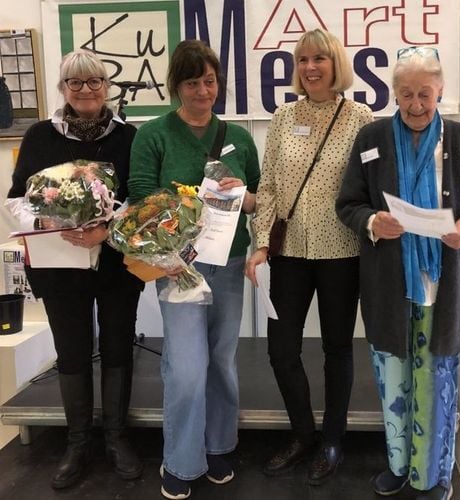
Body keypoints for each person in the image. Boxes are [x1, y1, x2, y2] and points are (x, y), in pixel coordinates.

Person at [336, 46, 460, 500]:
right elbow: (348, 203)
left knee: (436, 378)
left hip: (440, 285)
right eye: (406, 94)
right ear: (394, 93)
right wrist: (373, 221)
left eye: (424, 93)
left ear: (440, 90)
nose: (416, 104)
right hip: (389, 285)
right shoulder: (372, 138)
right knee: (394, 377)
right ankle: (398, 464)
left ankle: (433, 472)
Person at [127, 39, 260, 500]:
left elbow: (260, 199)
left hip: (229, 262)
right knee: (186, 366)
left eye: (209, 81)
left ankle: (219, 445)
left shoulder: (239, 138)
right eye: (191, 83)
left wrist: (243, 194)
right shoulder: (154, 135)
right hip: (177, 267)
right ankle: (181, 459)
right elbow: (140, 198)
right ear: (175, 86)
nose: (203, 91)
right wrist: (169, 238)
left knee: (221, 361)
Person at [6, 49, 144, 489]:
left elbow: (140, 198)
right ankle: (78, 443)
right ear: (63, 87)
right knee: (72, 351)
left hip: (116, 263)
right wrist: (45, 219)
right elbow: (16, 199)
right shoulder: (39, 136)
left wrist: (107, 228)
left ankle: (117, 438)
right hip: (59, 264)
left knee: (119, 347)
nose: (86, 90)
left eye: (94, 81)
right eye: (75, 82)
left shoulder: (128, 137)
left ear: (107, 86)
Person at [245, 28, 372, 485]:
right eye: (303, 59)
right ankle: (302, 434)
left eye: (319, 58)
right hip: (290, 252)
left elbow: (370, 187)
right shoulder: (283, 117)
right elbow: (269, 187)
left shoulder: (361, 118)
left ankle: (332, 440)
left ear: (336, 63)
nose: (311, 67)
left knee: (337, 349)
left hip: (342, 251)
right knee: (281, 349)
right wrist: (262, 243)